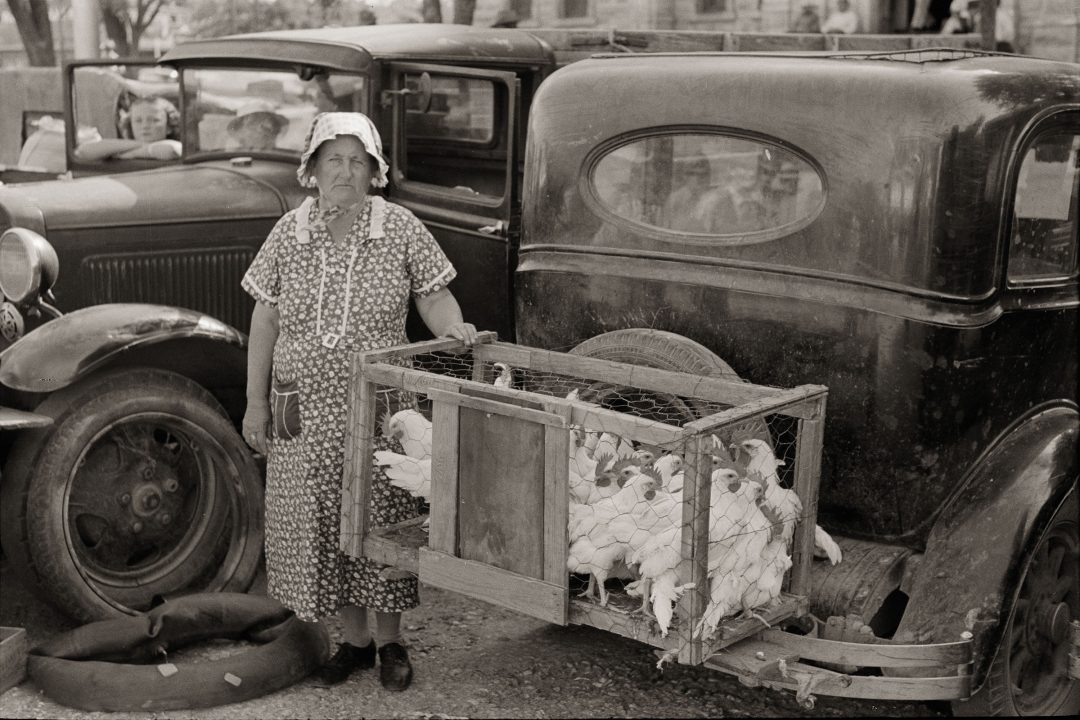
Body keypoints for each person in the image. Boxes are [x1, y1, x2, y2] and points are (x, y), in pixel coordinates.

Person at [241, 112, 478, 691]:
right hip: (303, 411)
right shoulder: (289, 232)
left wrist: (457, 327)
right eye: (332, 160)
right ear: (313, 170)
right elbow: (265, 319)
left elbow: (434, 296)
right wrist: (255, 404)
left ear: (374, 171)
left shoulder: (398, 227)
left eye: (356, 160)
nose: (344, 171)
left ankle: (392, 642)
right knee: (325, 522)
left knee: (380, 521)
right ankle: (354, 642)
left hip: (375, 407)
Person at [75, 96, 181, 161]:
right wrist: (139, 146)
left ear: (169, 126)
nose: (145, 126)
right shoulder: (125, 146)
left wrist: (129, 154)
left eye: (154, 120)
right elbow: (84, 151)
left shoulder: (175, 144)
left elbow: (171, 150)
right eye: (138, 121)